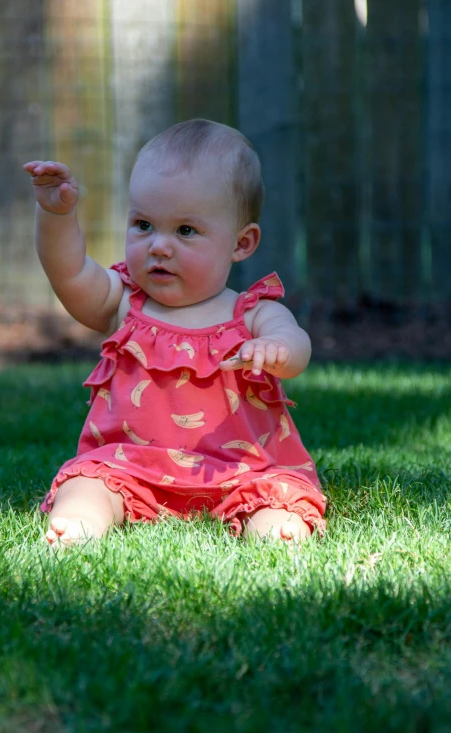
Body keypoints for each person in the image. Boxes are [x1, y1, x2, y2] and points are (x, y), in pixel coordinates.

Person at [23, 118, 326, 546]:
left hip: (240, 469)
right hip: (131, 466)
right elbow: (69, 275)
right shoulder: (124, 301)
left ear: (241, 244)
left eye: (185, 231)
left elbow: (297, 345)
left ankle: (275, 531)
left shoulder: (252, 313)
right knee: (90, 482)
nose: (158, 246)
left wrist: (277, 348)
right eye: (143, 225)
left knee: (274, 499)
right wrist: (56, 216)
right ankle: (78, 524)